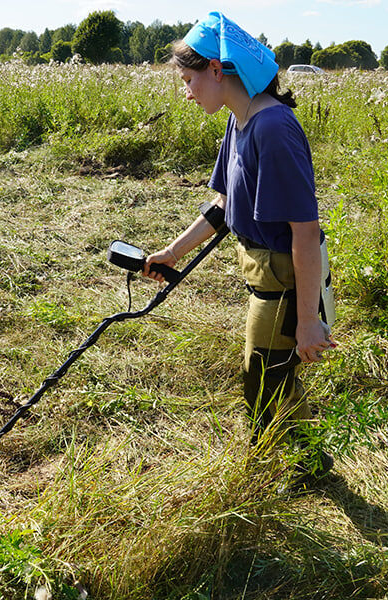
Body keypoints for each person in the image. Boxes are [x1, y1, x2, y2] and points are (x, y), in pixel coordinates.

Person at [143, 11, 335, 487]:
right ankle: (310, 464)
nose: (185, 91)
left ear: (217, 69)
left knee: (263, 381)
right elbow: (225, 203)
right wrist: (174, 251)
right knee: (273, 375)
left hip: (287, 282)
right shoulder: (241, 120)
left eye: (188, 79)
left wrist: (309, 320)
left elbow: (306, 233)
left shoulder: (272, 129)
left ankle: (275, 474)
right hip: (266, 277)